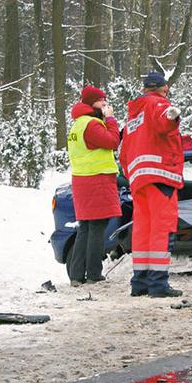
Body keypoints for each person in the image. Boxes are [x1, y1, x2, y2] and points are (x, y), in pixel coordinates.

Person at [119, 72, 184, 298]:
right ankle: (158, 284)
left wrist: (133, 175)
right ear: (163, 88)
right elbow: (163, 122)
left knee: (142, 231)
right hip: (161, 176)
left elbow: (124, 155)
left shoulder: (133, 117)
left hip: (139, 180)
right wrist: (172, 116)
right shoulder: (157, 104)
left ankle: (140, 283)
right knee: (161, 229)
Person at [67, 85, 121, 286]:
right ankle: (94, 273)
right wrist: (111, 120)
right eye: (101, 100)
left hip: (82, 179)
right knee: (97, 227)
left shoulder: (78, 125)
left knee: (86, 228)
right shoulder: (92, 124)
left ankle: (76, 274)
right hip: (97, 180)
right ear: (91, 103)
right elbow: (112, 141)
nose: (105, 104)